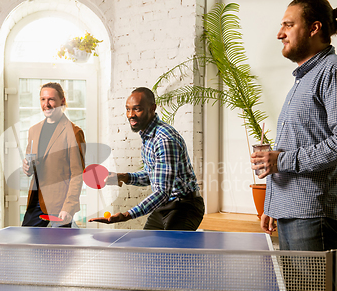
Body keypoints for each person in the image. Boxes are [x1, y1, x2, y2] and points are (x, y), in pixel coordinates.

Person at [250, 0, 337, 291]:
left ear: (314, 28)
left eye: (288, 24)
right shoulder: (304, 79)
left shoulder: (336, 71)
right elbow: (295, 149)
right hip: (293, 213)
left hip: (314, 216)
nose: (279, 33)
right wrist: (273, 202)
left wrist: (282, 159)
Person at [89, 87, 204, 230]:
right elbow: (153, 175)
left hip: (184, 207)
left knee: (171, 251)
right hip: (164, 205)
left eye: (137, 109)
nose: (131, 115)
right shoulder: (147, 136)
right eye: (128, 109)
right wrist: (124, 177)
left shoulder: (164, 139)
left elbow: (162, 191)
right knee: (146, 249)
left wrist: (126, 215)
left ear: (152, 108)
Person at [22, 82, 85, 227]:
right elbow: (31, 166)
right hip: (35, 201)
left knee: (59, 248)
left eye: (51, 99)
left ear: (62, 101)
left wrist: (68, 207)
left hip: (59, 204)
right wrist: (27, 167)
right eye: (43, 99)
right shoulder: (33, 130)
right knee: (28, 242)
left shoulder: (74, 132)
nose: (46, 104)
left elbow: (77, 174)